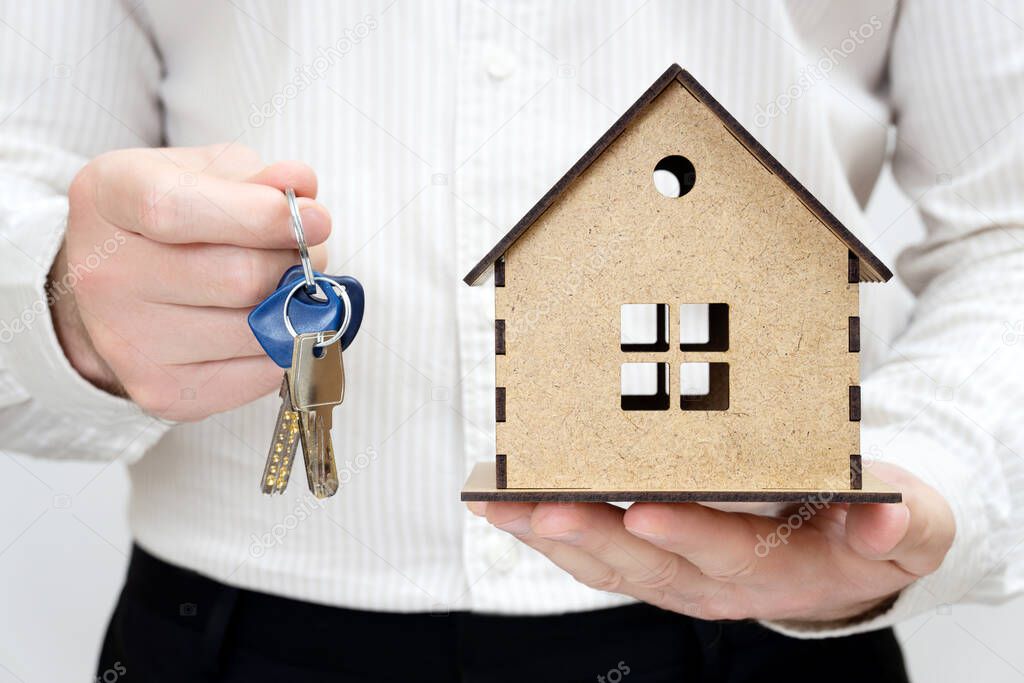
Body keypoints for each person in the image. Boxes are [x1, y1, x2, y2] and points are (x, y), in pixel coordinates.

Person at [0, 2, 1021, 681]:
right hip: (228, 630)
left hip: (776, 612)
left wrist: (936, 465)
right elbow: (19, 167)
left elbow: (1007, 223)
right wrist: (63, 304)